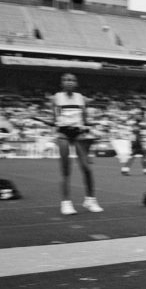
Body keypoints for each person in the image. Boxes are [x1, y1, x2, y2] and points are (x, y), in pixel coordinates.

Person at [51, 72, 103, 215]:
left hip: (79, 134)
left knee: (87, 168)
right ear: (62, 83)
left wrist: (90, 127)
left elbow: (84, 119)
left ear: (76, 83)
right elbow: (54, 118)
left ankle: (90, 200)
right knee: (66, 169)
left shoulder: (81, 98)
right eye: (66, 80)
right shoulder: (56, 98)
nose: (69, 82)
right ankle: (66, 203)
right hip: (63, 134)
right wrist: (56, 128)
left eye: (72, 80)